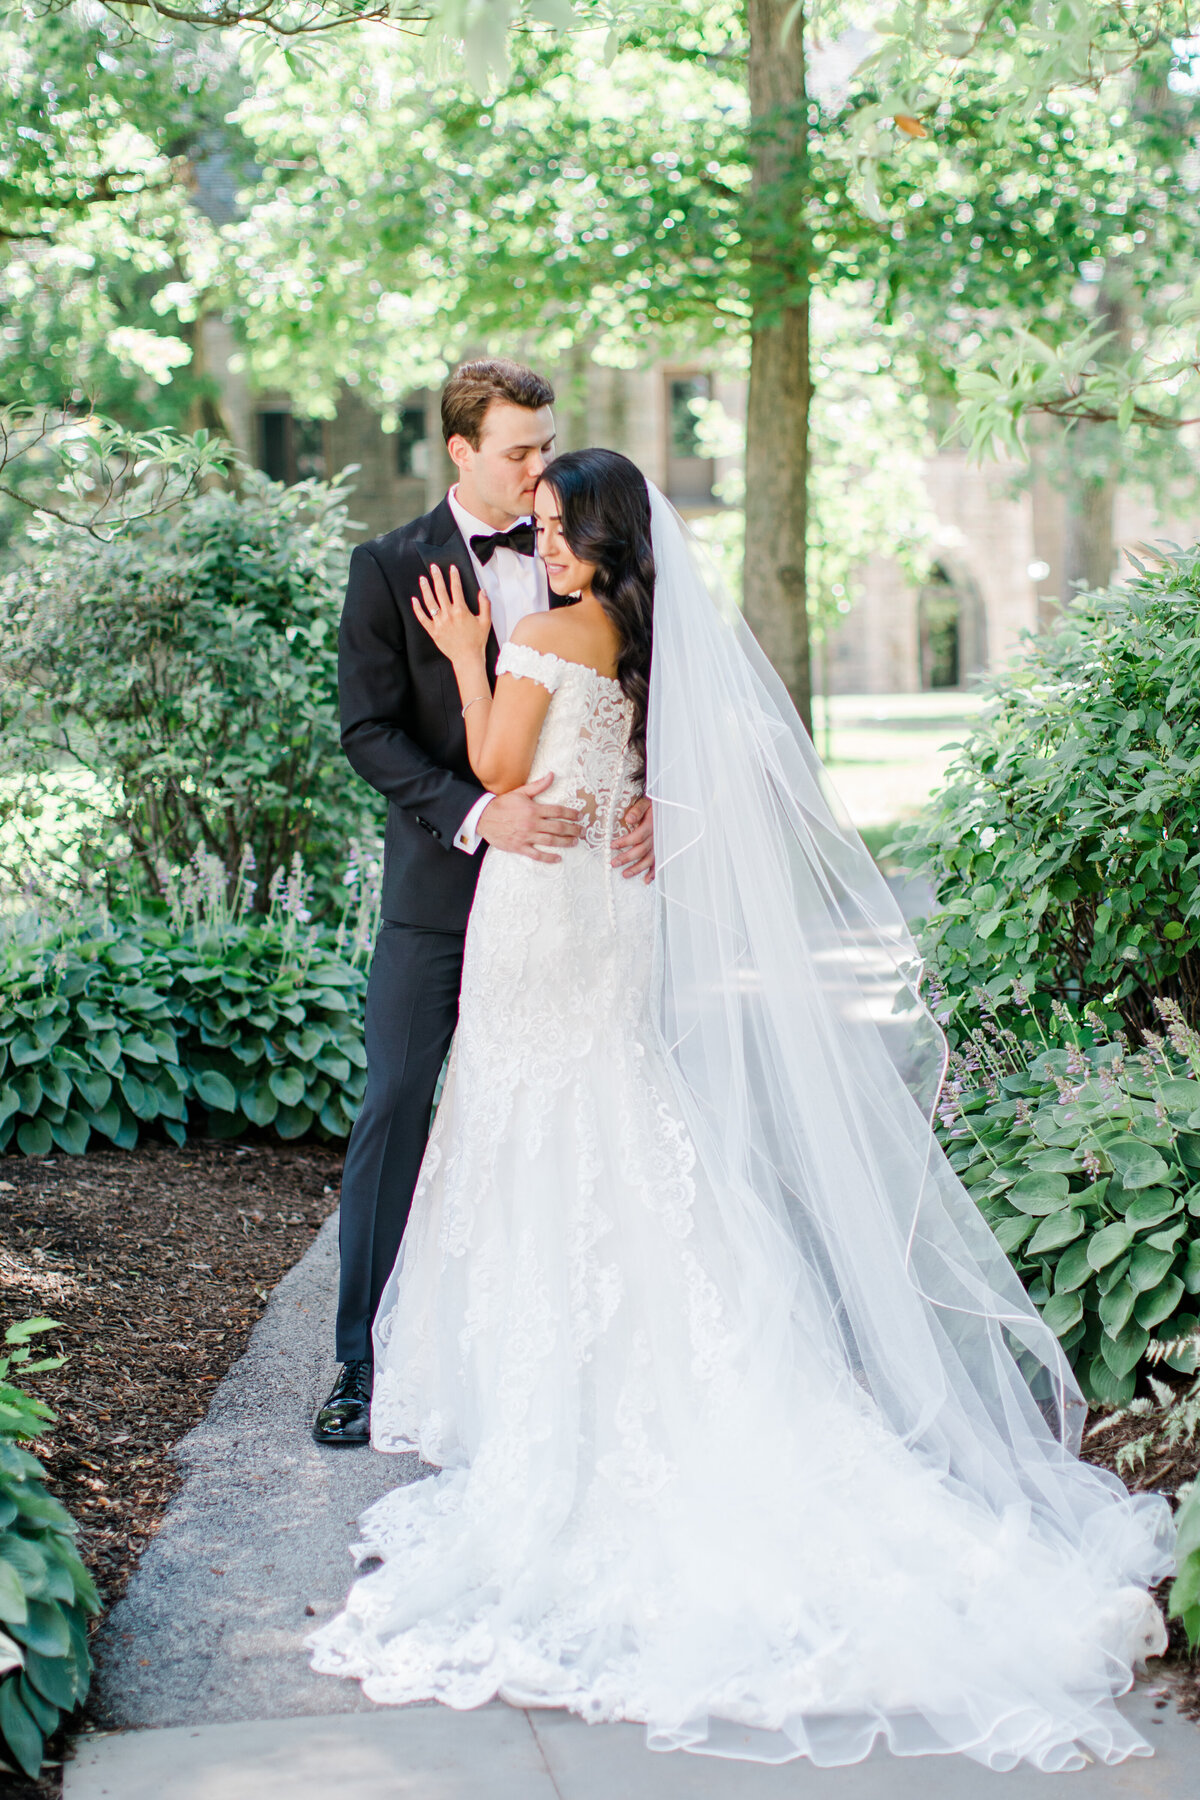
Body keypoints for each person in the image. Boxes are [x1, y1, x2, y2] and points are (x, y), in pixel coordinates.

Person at [310, 449, 1173, 1771]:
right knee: (608, 1131)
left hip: (548, 928)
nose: (535, 540)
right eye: (528, 523)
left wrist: (473, 650)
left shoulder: (543, 625)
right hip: (603, 916)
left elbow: (492, 756)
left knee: (551, 1137)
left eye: (550, 525)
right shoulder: (641, 639)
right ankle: (606, 1379)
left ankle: (576, 1412)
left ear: (595, 539)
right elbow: (683, 781)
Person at [313, 364, 654, 1446]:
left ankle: (560, 1357)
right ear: (460, 450)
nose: (535, 468)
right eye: (516, 451)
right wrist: (476, 814)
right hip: (439, 891)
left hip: (567, 903)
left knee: (569, 1114)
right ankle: (360, 1363)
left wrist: (653, 806)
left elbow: (644, 706)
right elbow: (366, 732)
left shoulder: (584, 556)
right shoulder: (387, 565)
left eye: (545, 446)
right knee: (400, 1107)